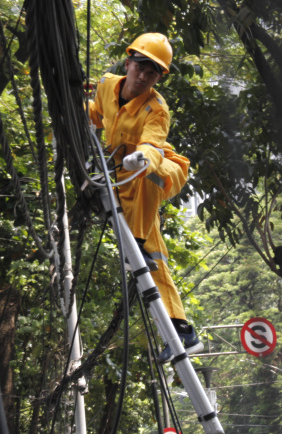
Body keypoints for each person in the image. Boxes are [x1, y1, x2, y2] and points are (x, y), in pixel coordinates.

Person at [87, 32, 203, 363]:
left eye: (152, 72)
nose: (143, 76)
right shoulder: (107, 85)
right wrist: (83, 108)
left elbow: (153, 145)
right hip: (124, 186)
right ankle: (182, 331)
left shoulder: (157, 108)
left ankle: (134, 241)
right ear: (128, 62)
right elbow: (100, 114)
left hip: (159, 174)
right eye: (140, 67)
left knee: (154, 172)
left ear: (158, 77)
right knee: (156, 259)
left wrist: (143, 157)